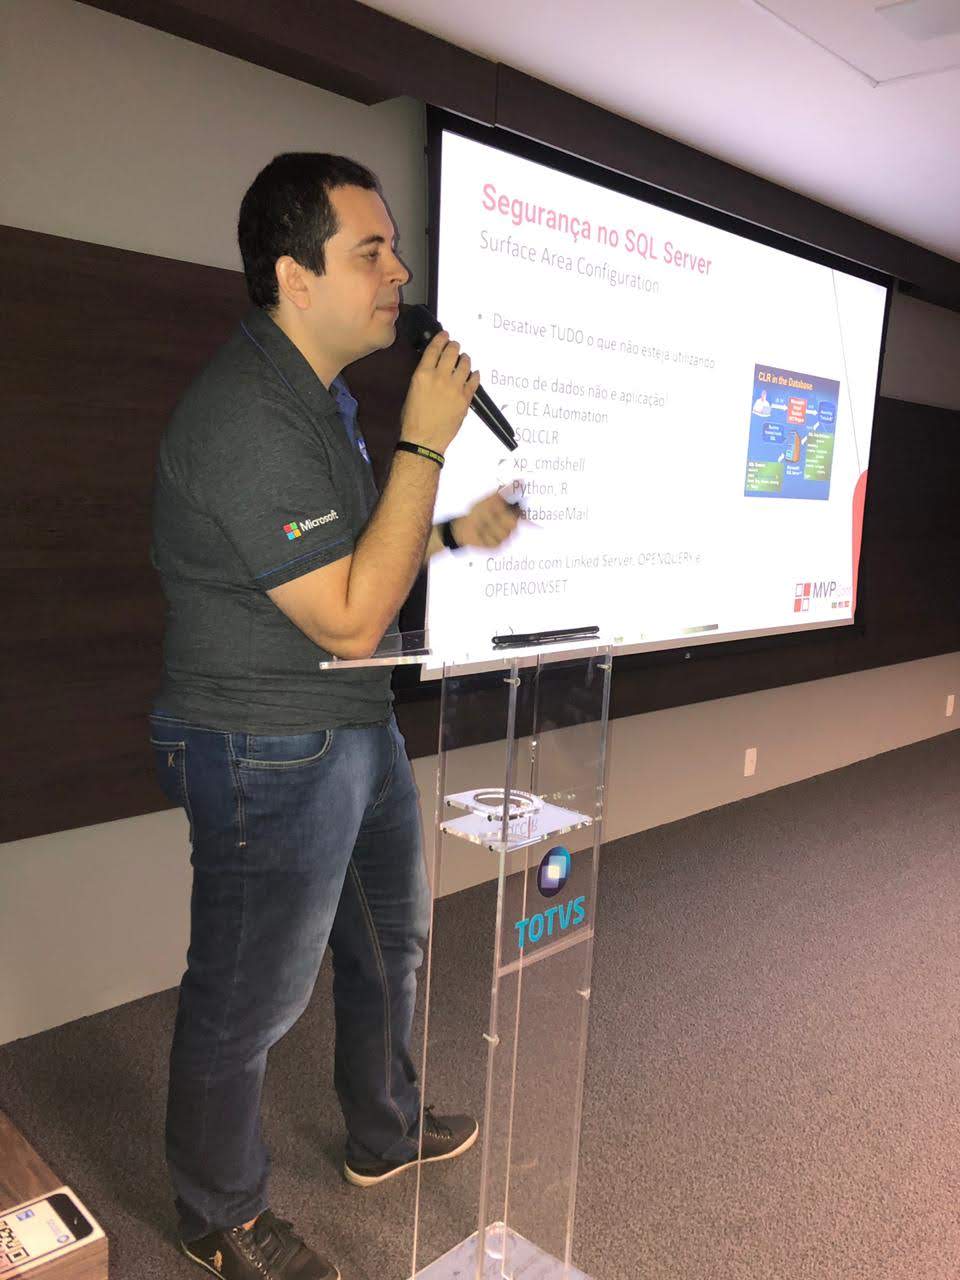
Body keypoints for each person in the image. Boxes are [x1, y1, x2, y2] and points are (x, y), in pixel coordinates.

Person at [149, 152, 521, 1280]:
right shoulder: (245, 417)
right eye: (372, 252)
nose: (400, 272)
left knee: (390, 944)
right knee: (251, 994)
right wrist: (426, 443)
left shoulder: (322, 400)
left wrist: (449, 532)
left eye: (394, 249)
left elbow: (360, 561)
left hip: (352, 724)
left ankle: (383, 1128)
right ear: (293, 276)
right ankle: (216, 1212)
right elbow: (355, 617)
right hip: (262, 742)